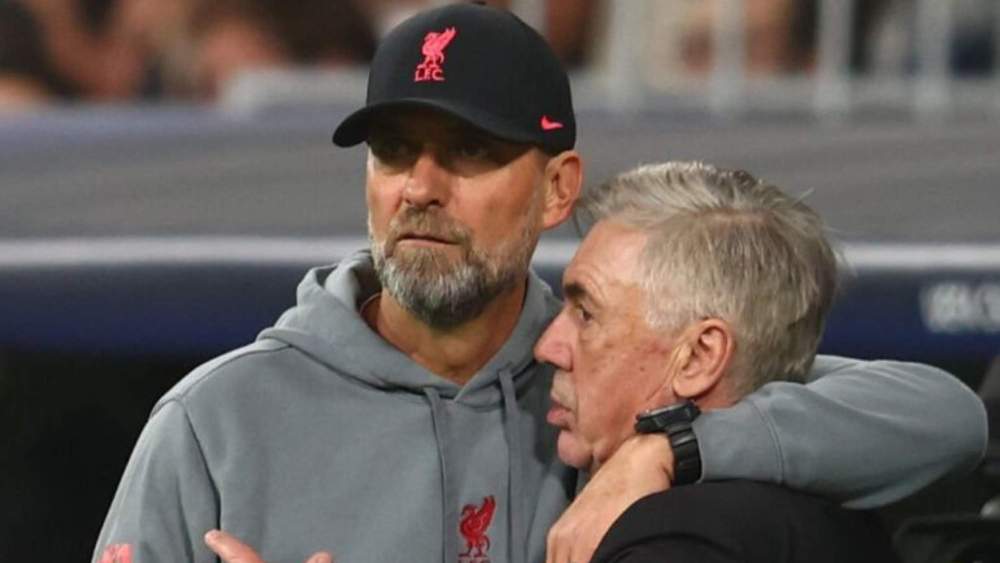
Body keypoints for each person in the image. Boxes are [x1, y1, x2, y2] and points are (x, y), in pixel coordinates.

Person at [94, 4, 986, 563]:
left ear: (558, 189)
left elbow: (942, 417)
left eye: (469, 151)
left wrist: (667, 450)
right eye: (394, 151)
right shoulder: (214, 423)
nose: (420, 187)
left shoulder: (604, 376)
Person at [535, 160, 899, 562]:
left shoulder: (670, 542)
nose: (548, 346)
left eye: (586, 315)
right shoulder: (840, 520)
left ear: (698, 357)